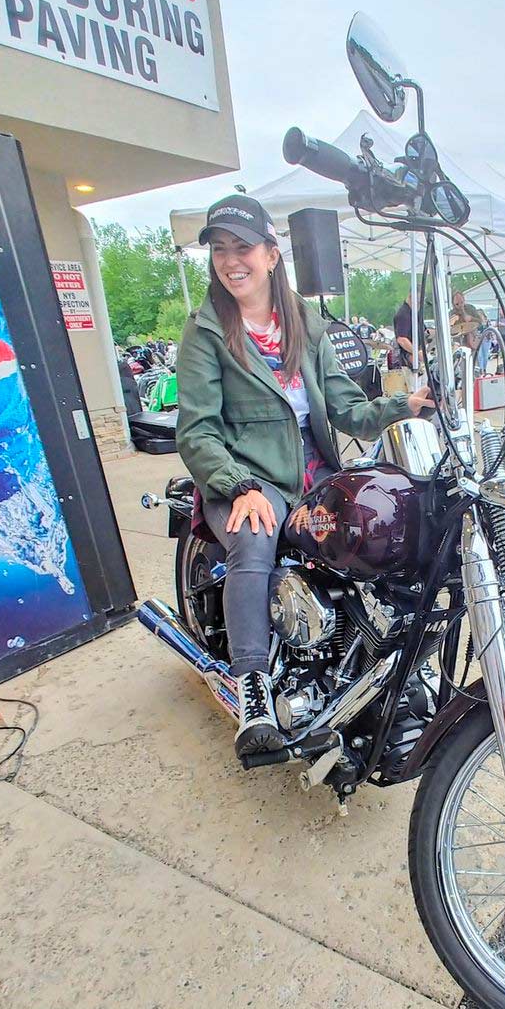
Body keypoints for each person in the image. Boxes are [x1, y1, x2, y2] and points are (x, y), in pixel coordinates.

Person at [175, 194, 434, 760]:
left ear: (271, 254)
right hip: (243, 476)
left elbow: (346, 409)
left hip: (313, 474)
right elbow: (196, 432)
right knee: (254, 539)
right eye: (219, 250)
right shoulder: (205, 332)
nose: (230, 260)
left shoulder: (304, 323)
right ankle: (254, 689)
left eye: (242, 247)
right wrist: (238, 485)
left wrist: (403, 406)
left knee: (379, 527)